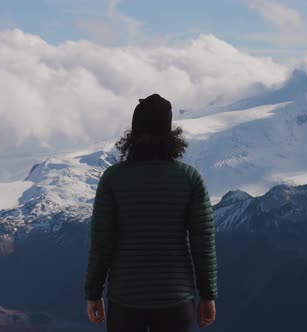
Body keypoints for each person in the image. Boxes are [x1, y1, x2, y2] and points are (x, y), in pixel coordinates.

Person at [83, 93, 218, 331]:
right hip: (176, 299)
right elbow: (202, 243)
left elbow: (102, 242)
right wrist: (208, 295)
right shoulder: (189, 178)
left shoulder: (113, 179)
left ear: (133, 134)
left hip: (126, 299)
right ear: (170, 134)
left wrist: (94, 293)